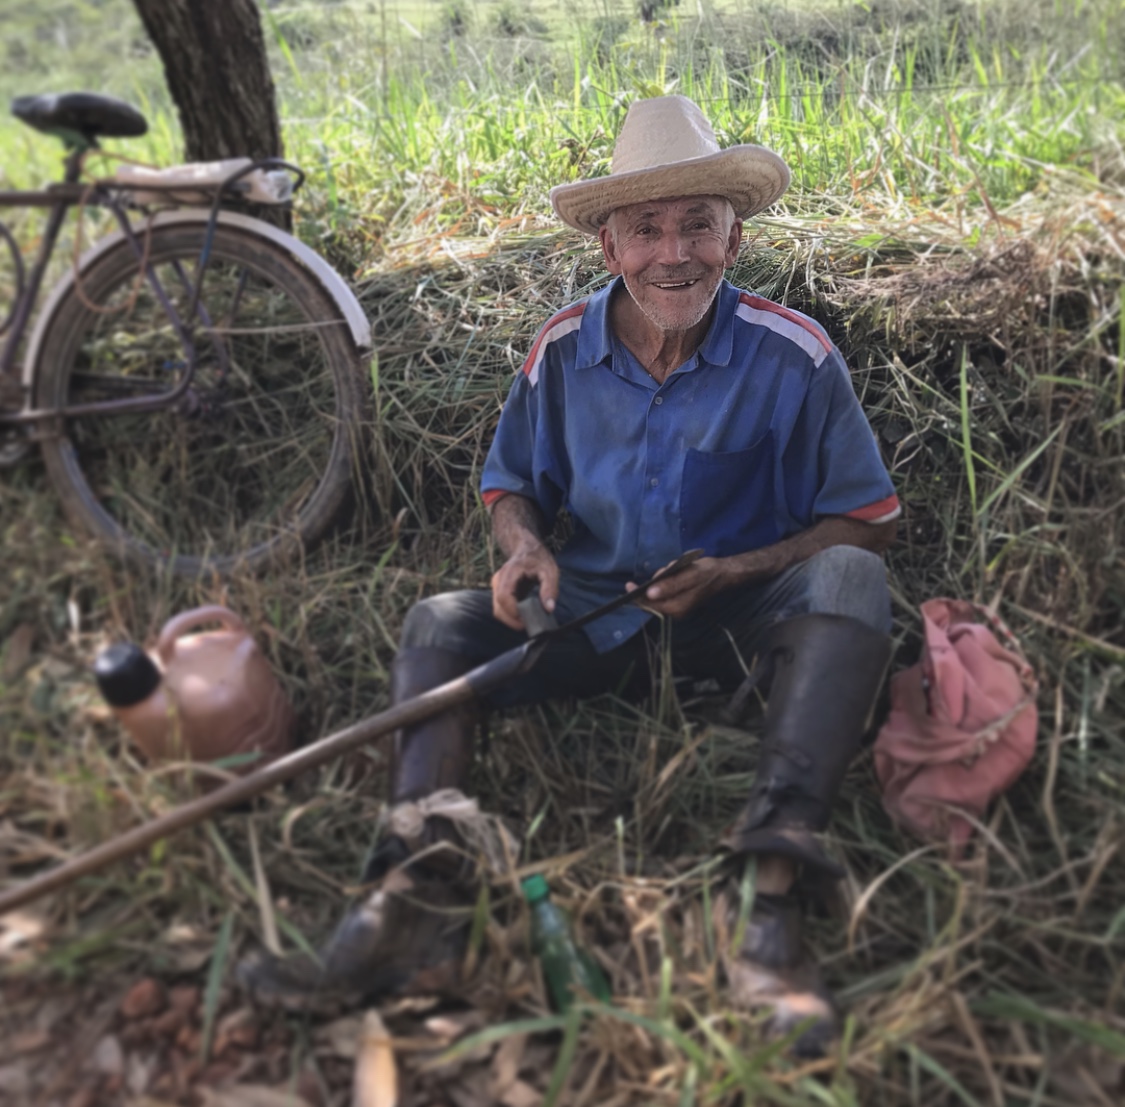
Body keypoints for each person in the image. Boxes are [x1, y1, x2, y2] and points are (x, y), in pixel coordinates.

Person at [240, 95, 900, 1054]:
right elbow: (508, 482)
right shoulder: (560, 351)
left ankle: (771, 907)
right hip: (587, 616)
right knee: (438, 623)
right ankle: (409, 893)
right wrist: (524, 547)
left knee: (845, 579)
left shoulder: (795, 355)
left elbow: (868, 521)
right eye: (646, 229)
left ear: (735, 236)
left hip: (737, 629)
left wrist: (735, 570)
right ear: (608, 247)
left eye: (697, 226)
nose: (673, 253)